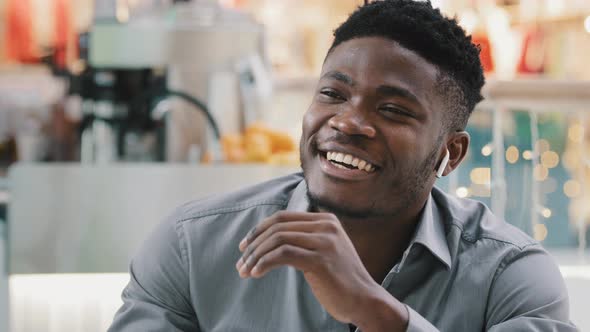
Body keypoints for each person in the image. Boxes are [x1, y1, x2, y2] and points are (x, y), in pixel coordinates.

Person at [109, 1, 576, 331]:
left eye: (393, 110)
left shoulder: (509, 277)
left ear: (449, 153)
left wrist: (378, 314)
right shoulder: (195, 246)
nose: (348, 122)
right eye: (332, 94)